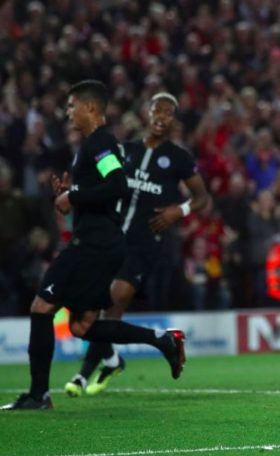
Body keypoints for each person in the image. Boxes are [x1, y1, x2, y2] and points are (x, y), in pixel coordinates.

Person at [2, 81, 186, 411]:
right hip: (104, 243)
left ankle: (38, 395)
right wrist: (72, 193)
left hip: (93, 244)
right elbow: (105, 187)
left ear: (90, 108)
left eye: (72, 105)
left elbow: (117, 185)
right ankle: (163, 340)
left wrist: (73, 195)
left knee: (42, 307)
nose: (68, 112)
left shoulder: (100, 143)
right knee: (82, 326)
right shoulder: (97, 145)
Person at [63, 91, 209, 396]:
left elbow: (202, 197)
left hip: (144, 244)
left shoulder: (179, 158)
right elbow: (101, 182)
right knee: (88, 309)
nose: (161, 116)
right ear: (147, 112)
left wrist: (178, 211)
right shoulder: (124, 150)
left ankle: (82, 375)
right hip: (110, 237)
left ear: (174, 120)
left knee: (115, 299)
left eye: (168, 112)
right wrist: (74, 191)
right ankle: (112, 360)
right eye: (157, 110)